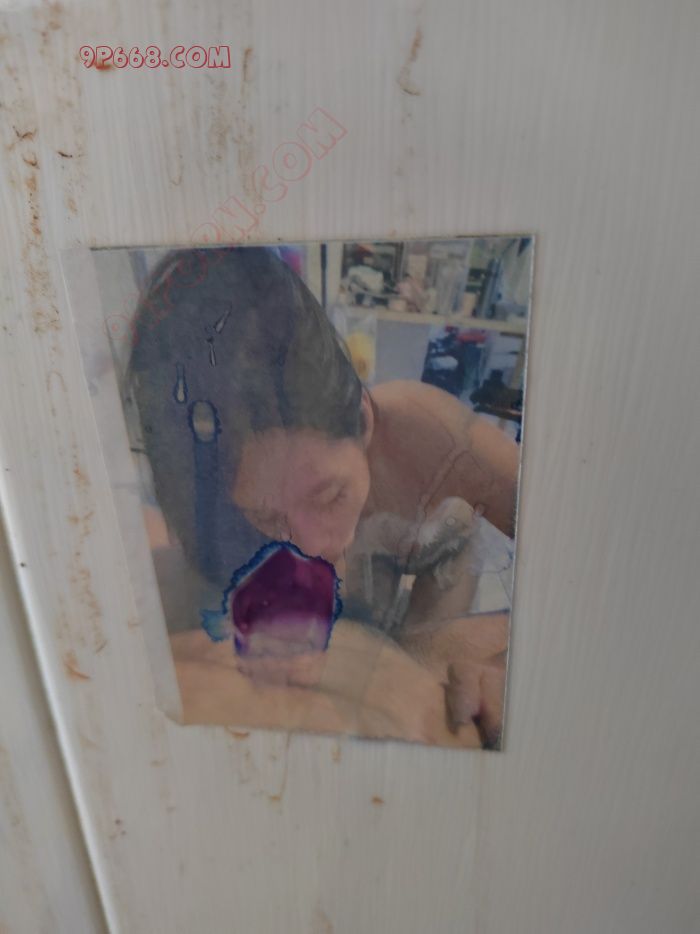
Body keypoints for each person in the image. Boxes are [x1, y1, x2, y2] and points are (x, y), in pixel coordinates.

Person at [129, 246, 519, 748]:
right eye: (266, 515)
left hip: (437, 553)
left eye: (330, 496)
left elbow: (592, 559)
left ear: (363, 421)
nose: (310, 547)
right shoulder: (208, 510)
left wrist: (507, 668)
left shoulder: (434, 435)